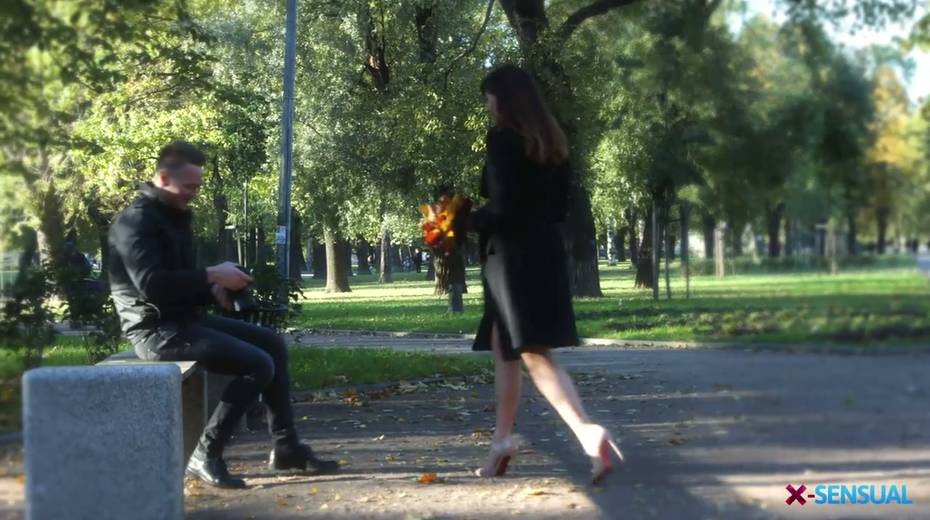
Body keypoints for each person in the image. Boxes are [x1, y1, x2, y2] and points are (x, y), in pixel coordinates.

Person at [107, 141, 339, 489]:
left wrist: (213, 292)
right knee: (258, 364)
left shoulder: (172, 216)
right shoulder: (135, 222)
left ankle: (286, 448)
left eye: (197, 186)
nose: (194, 194)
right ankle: (206, 453)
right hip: (155, 331)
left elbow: (179, 281)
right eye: (189, 187)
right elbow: (152, 285)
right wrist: (213, 275)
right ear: (163, 177)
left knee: (272, 344)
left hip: (184, 320)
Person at [468, 65, 623, 484]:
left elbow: (502, 208)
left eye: (489, 97)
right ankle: (501, 440)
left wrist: (463, 220)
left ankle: (587, 432)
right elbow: (556, 208)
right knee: (505, 349)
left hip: (512, 260)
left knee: (533, 353)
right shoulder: (553, 142)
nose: (487, 106)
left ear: (504, 99)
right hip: (545, 253)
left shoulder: (503, 139)